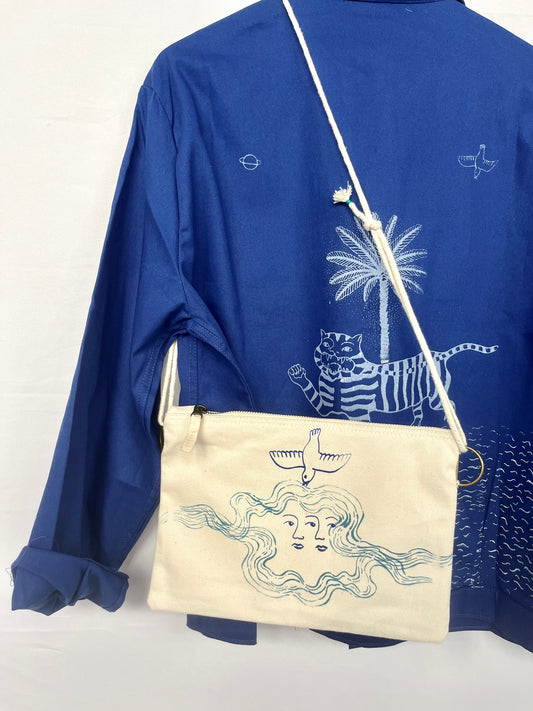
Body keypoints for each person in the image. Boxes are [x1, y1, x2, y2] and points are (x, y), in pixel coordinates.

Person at [10, 0, 533, 652]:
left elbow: (132, 314)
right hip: (472, 535)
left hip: (273, 538)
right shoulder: (519, 81)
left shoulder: (198, 79)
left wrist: (73, 544)